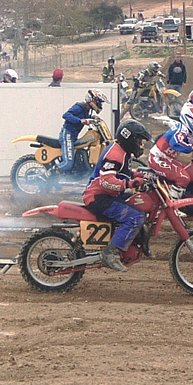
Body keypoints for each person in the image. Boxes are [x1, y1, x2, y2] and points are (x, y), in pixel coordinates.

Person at [81, 119, 153, 272]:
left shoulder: (122, 152)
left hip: (107, 195)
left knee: (136, 207)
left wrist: (138, 175)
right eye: (139, 141)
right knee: (135, 217)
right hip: (98, 197)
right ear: (129, 139)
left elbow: (121, 172)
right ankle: (110, 253)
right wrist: (130, 184)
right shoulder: (115, 154)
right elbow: (106, 181)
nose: (140, 145)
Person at [55, 89, 105, 173]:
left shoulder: (86, 110)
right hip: (67, 135)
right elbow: (66, 115)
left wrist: (93, 118)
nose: (99, 104)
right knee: (68, 163)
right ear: (91, 100)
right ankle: (50, 173)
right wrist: (80, 121)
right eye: (98, 102)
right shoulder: (80, 107)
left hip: (73, 136)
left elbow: (84, 116)